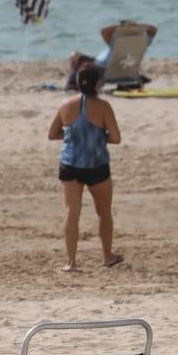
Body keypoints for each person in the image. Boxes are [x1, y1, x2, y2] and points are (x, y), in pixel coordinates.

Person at [48, 62, 123, 272]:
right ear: (98, 83)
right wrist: (97, 136)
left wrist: (74, 136)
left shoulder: (66, 105)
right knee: (104, 212)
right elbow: (116, 138)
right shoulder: (103, 107)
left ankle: (71, 262)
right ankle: (108, 256)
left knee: (72, 213)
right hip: (96, 165)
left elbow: (52, 134)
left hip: (70, 164)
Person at [91, 20, 158, 70]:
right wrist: (137, 26)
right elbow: (154, 29)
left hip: (103, 67)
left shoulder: (117, 41)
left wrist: (123, 27)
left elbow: (104, 31)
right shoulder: (142, 42)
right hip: (125, 69)